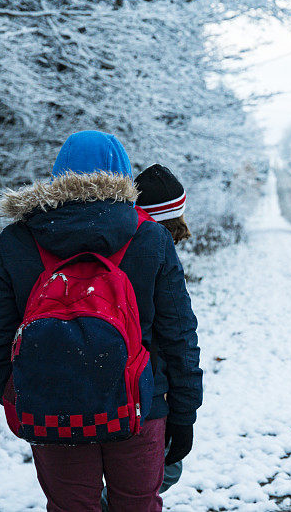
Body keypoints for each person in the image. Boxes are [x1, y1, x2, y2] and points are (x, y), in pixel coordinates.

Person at [0, 131, 203, 512]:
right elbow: (179, 334)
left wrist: (18, 391)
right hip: (142, 405)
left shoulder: (18, 239)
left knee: (70, 507)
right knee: (137, 505)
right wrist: (183, 413)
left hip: (53, 407)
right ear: (124, 176)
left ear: (57, 174)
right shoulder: (150, 237)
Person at [100, 163, 192, 511]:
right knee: (162, 472)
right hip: (142, 392)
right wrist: (182, 409)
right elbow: (176, 335)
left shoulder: (110, 242)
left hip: (89, 386)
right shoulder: (150, 249)